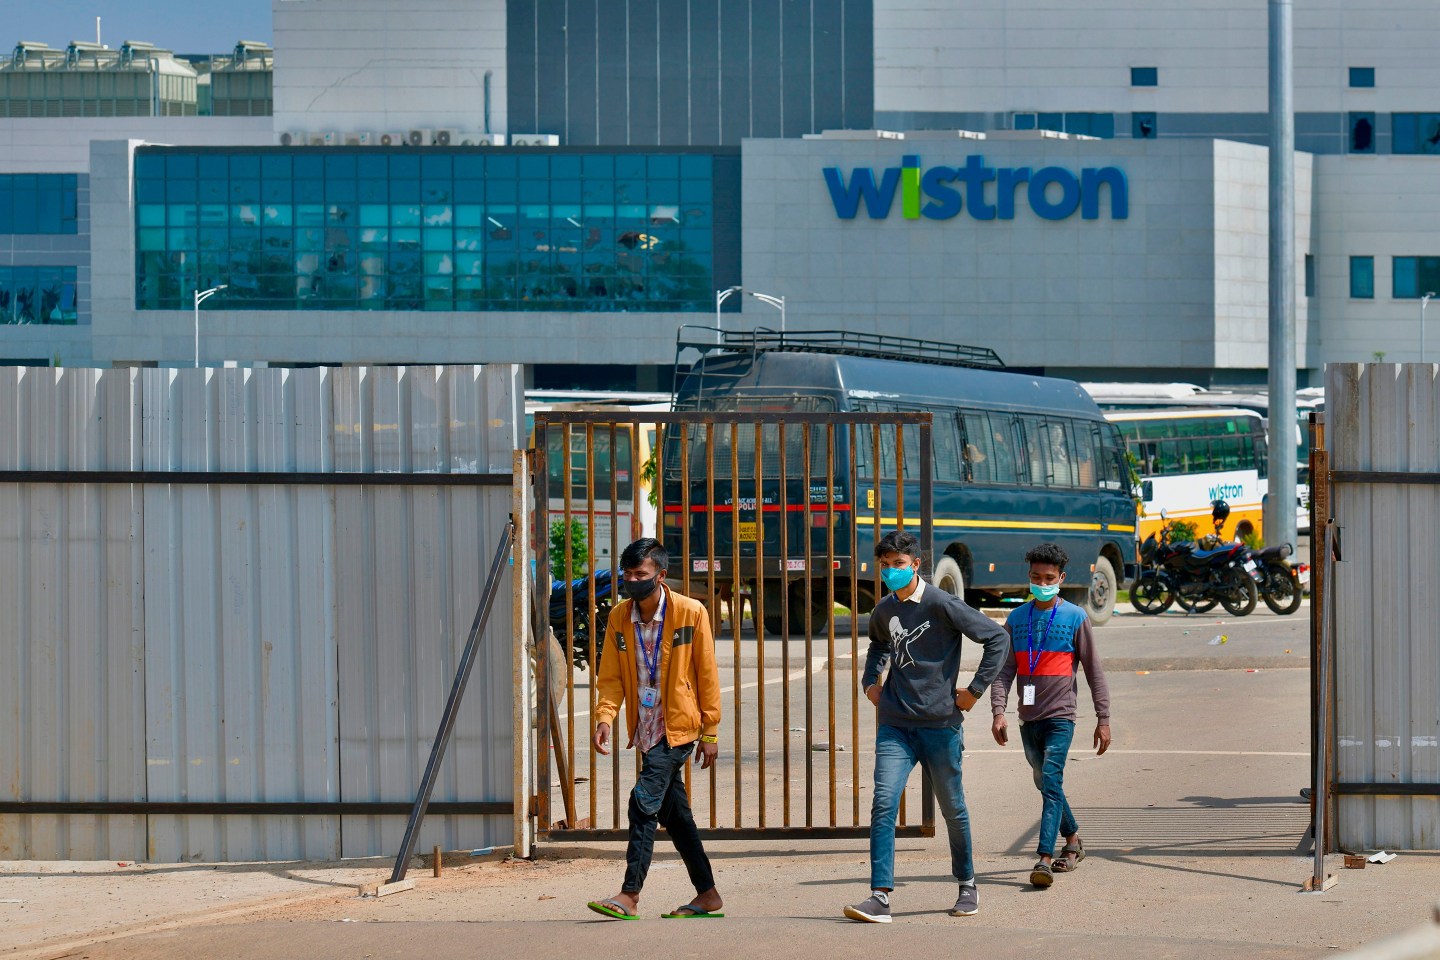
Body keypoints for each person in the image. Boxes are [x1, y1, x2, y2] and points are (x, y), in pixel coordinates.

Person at [844, 530, 1010, 923]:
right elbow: (879, 644)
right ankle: (880, 896)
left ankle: (967, 883)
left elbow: (997, 638)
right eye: (884, 566)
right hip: (896, 726)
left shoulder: (941, 603)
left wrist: (974, 691)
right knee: (884, 803)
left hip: (941, 725)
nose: (890, 572)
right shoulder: (885, 609)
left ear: (916, 564)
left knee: (953, 808)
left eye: (898, 565)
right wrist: (871, 683)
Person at [586, 538, 725, 920]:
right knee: (676, 817)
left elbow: (707, 674)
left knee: (642, 800)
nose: (633, 580)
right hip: (645, 728)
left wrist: (710, 731)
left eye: (641, 574)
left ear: (661, 576)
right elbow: (611, 676)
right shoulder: (619, 617)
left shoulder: (690, 612)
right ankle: (708, 894)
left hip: (680, 727)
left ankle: (629, 894)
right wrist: (605, 717)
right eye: (628, 573)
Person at [989, 542, 1112, 889]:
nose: (1042, 582)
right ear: (1029, 578)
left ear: (1061, 578)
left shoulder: (1075, 617)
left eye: (1049, 577)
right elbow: (1004, 672)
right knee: (1046, 782)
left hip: (1061, 716)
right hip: (1028, 718)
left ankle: (1044, 857)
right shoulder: (1016, 618)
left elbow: (1094, 672)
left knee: (1051, 778)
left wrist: (1103, 719)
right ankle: (1073, 841)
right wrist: (999, 712)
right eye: (1036, 577)